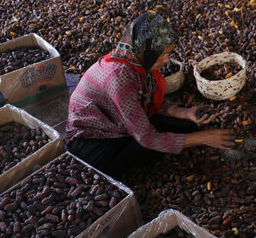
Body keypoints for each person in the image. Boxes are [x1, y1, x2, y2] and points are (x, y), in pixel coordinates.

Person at [65, 12, 234, 175]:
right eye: (164, 54)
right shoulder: (119, 78)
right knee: (147, 147)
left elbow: (145, 100)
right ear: (146, 51)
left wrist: (185, 113)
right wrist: (203, 138)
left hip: (119, 118)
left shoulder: (134, 60)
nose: (168, 60)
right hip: (92, 140)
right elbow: (147, 137)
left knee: (186, 125)